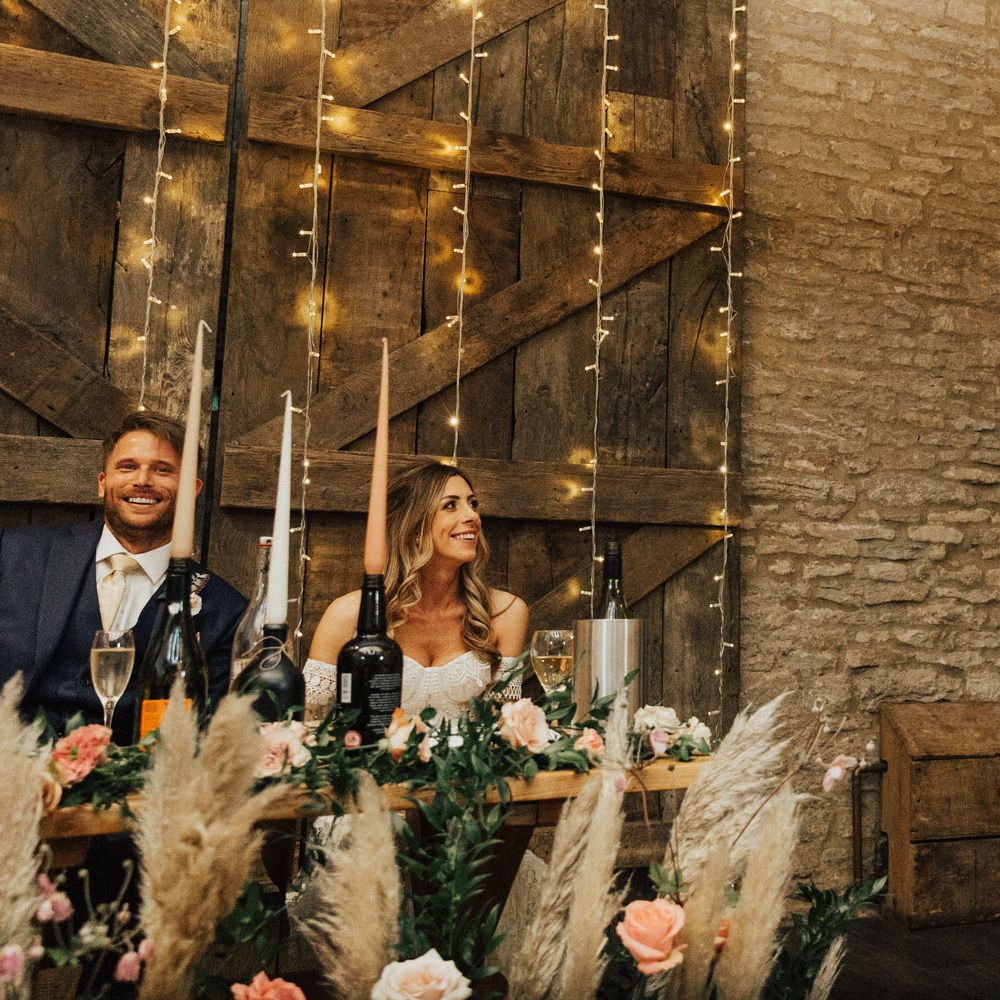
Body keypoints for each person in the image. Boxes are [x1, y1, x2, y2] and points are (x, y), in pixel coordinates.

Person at [0, 410, 247, 745]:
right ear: (103, 481)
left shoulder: (225, 610)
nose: (143, 480)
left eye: (163, 469)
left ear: (192, 489)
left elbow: (205, 733)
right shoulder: (15, 555)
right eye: (128, 466)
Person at [306, 460, 529, 719]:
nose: (472, 516)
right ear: (414, 528)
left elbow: (502, 731)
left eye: (473, 503)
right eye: (450, 505)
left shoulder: (505, 613)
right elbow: (310, 723)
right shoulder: (347, 615)